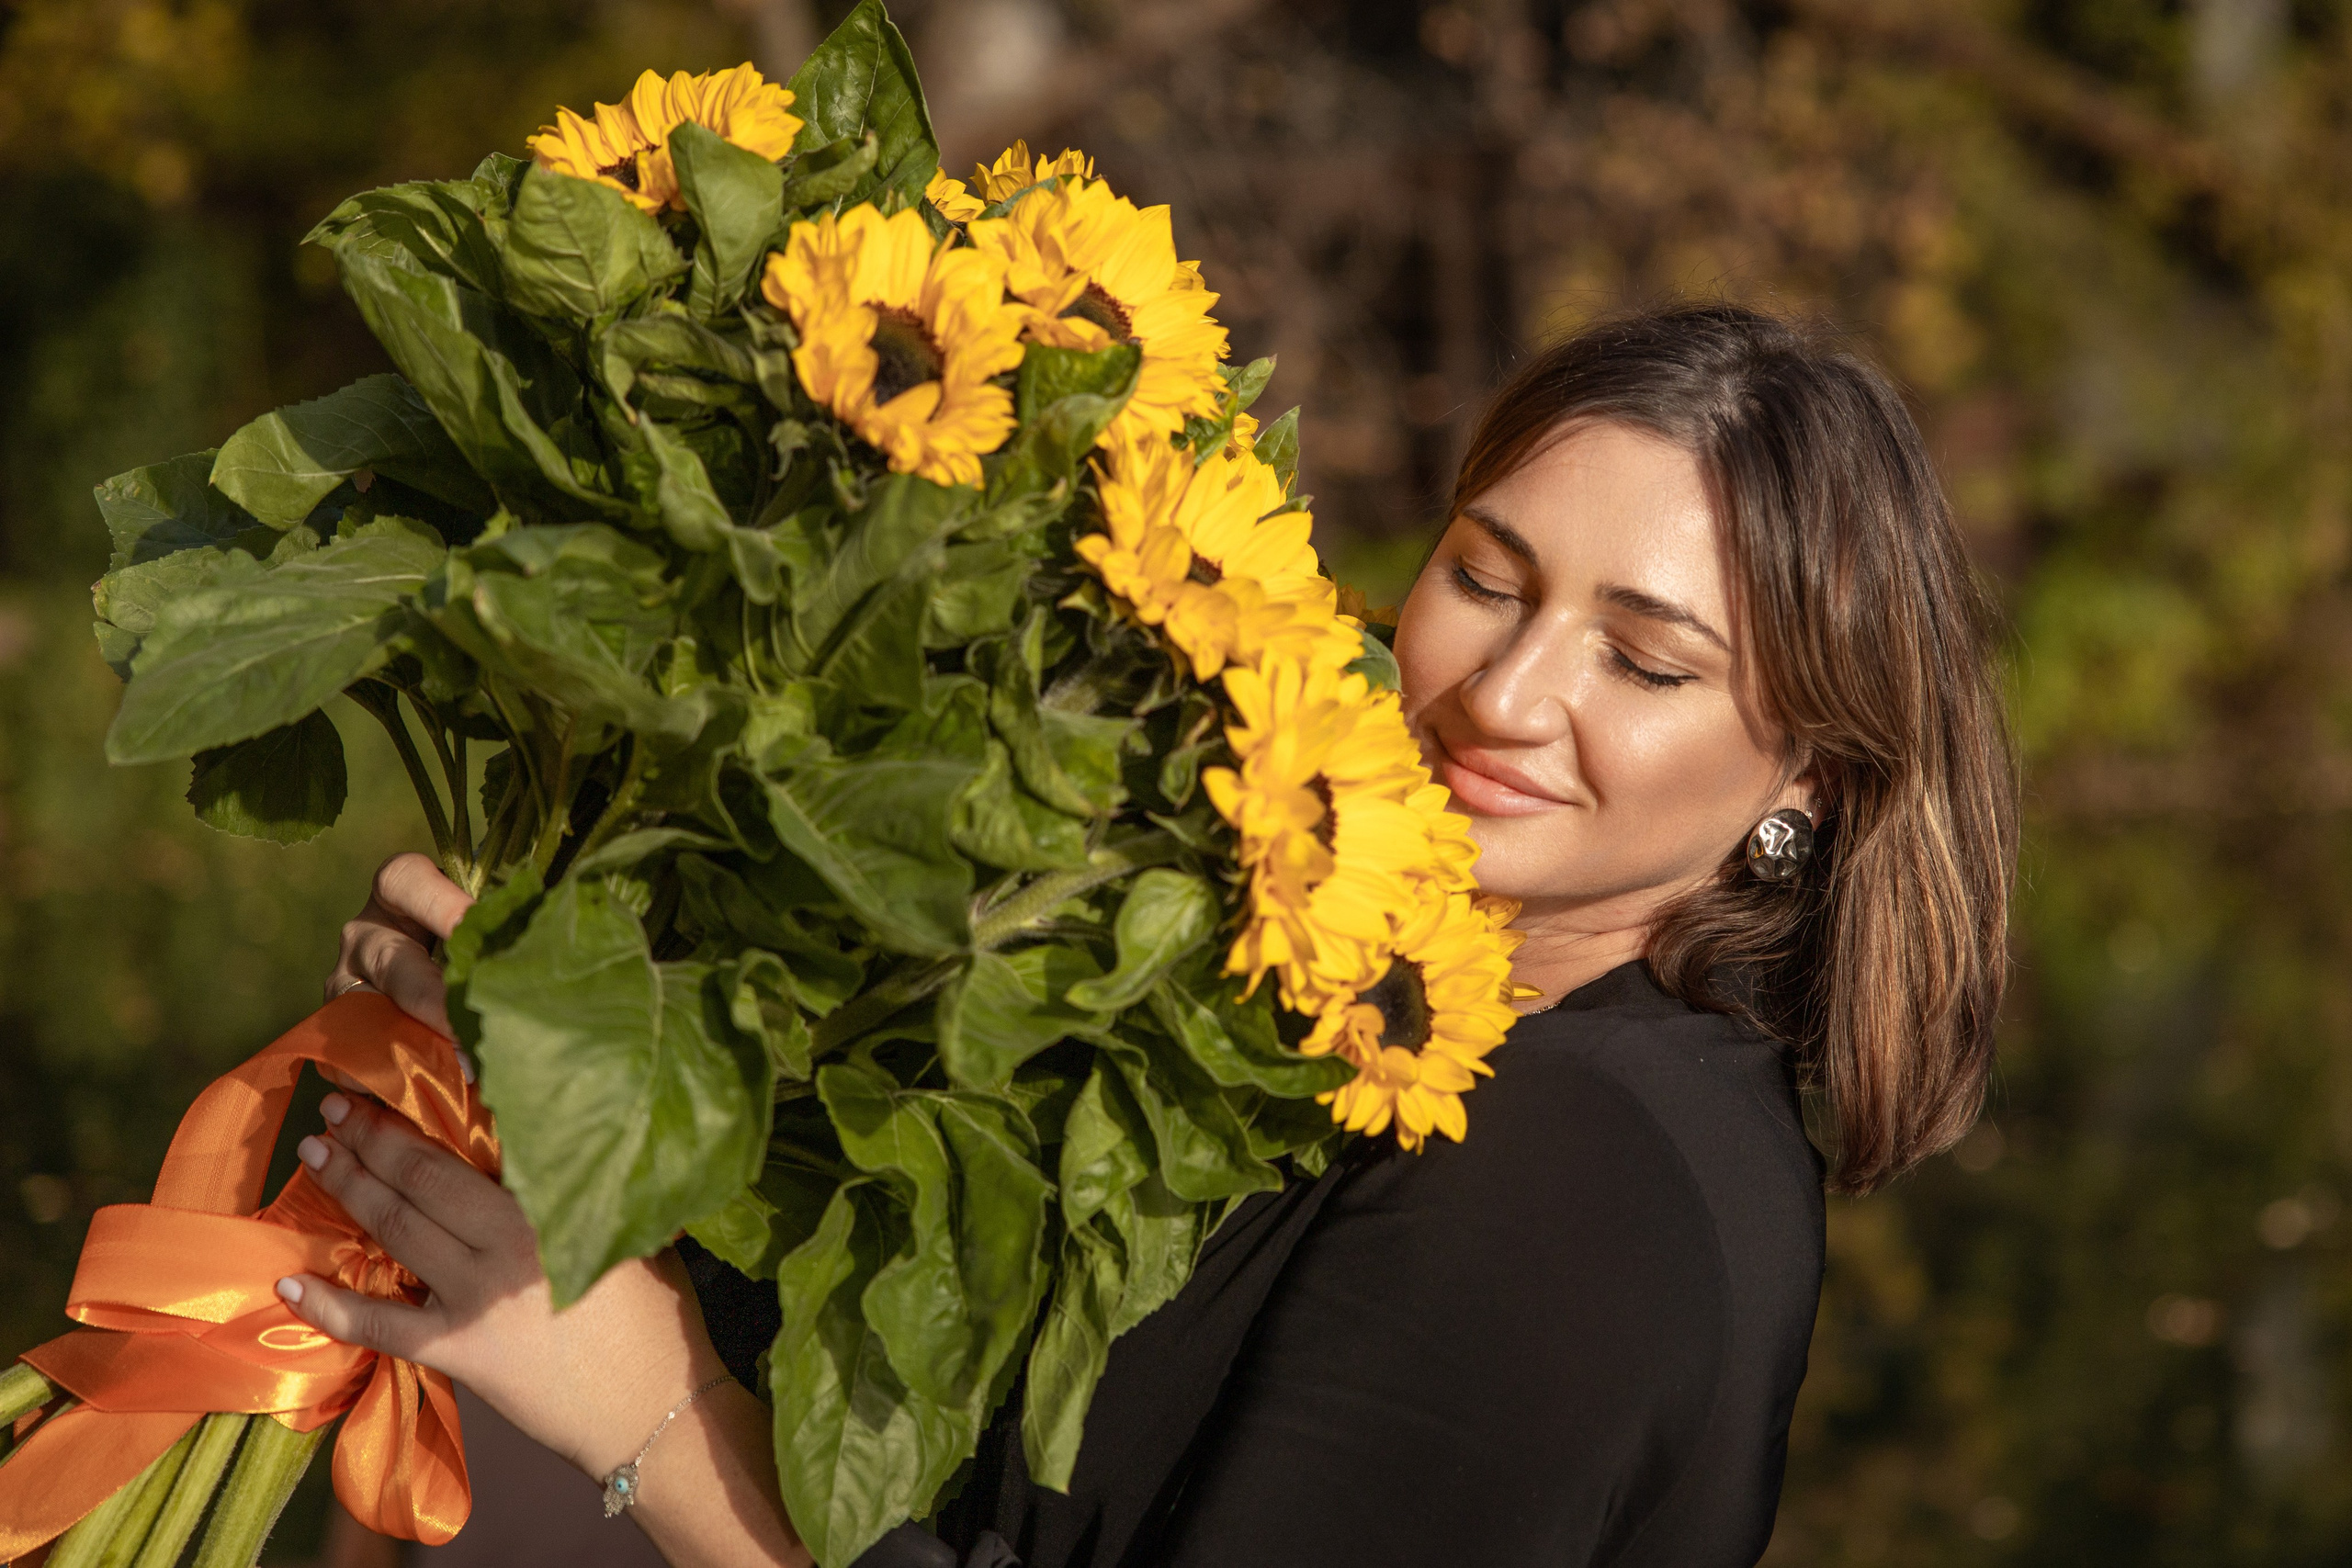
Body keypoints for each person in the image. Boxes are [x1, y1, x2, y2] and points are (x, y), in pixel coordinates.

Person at [284, 303, 2018, 1567]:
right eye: (1488, 579)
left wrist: (647, 1414)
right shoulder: (1364, 1003)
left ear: (1814, 769)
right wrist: (581, 1094)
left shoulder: (1590, 1170)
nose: (1505, 694)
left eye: (1644, 662)